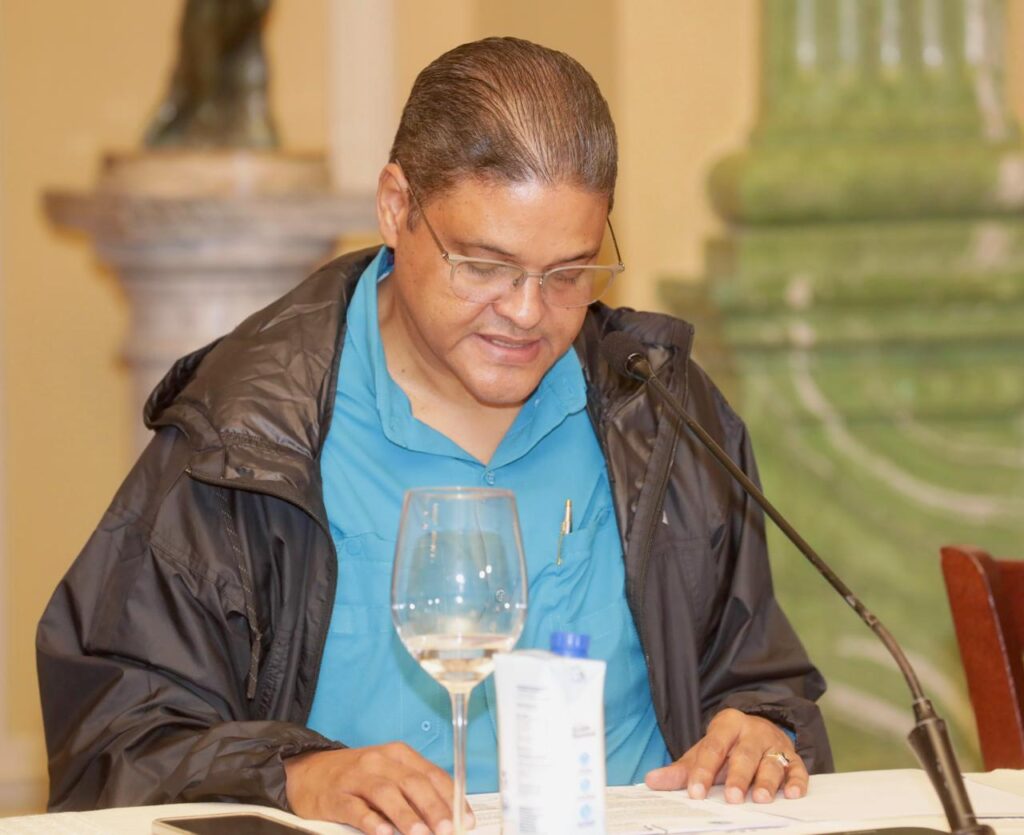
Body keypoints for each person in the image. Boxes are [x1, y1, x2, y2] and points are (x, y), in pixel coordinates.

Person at [37, 37, 832, 835]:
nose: (527, 311)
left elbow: (759, 679)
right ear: (396, 207)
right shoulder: (242, 432)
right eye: (484, 265)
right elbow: (113, 743)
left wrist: (762, 729)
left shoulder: (658, 410)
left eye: (568, 272)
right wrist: (294, 775)